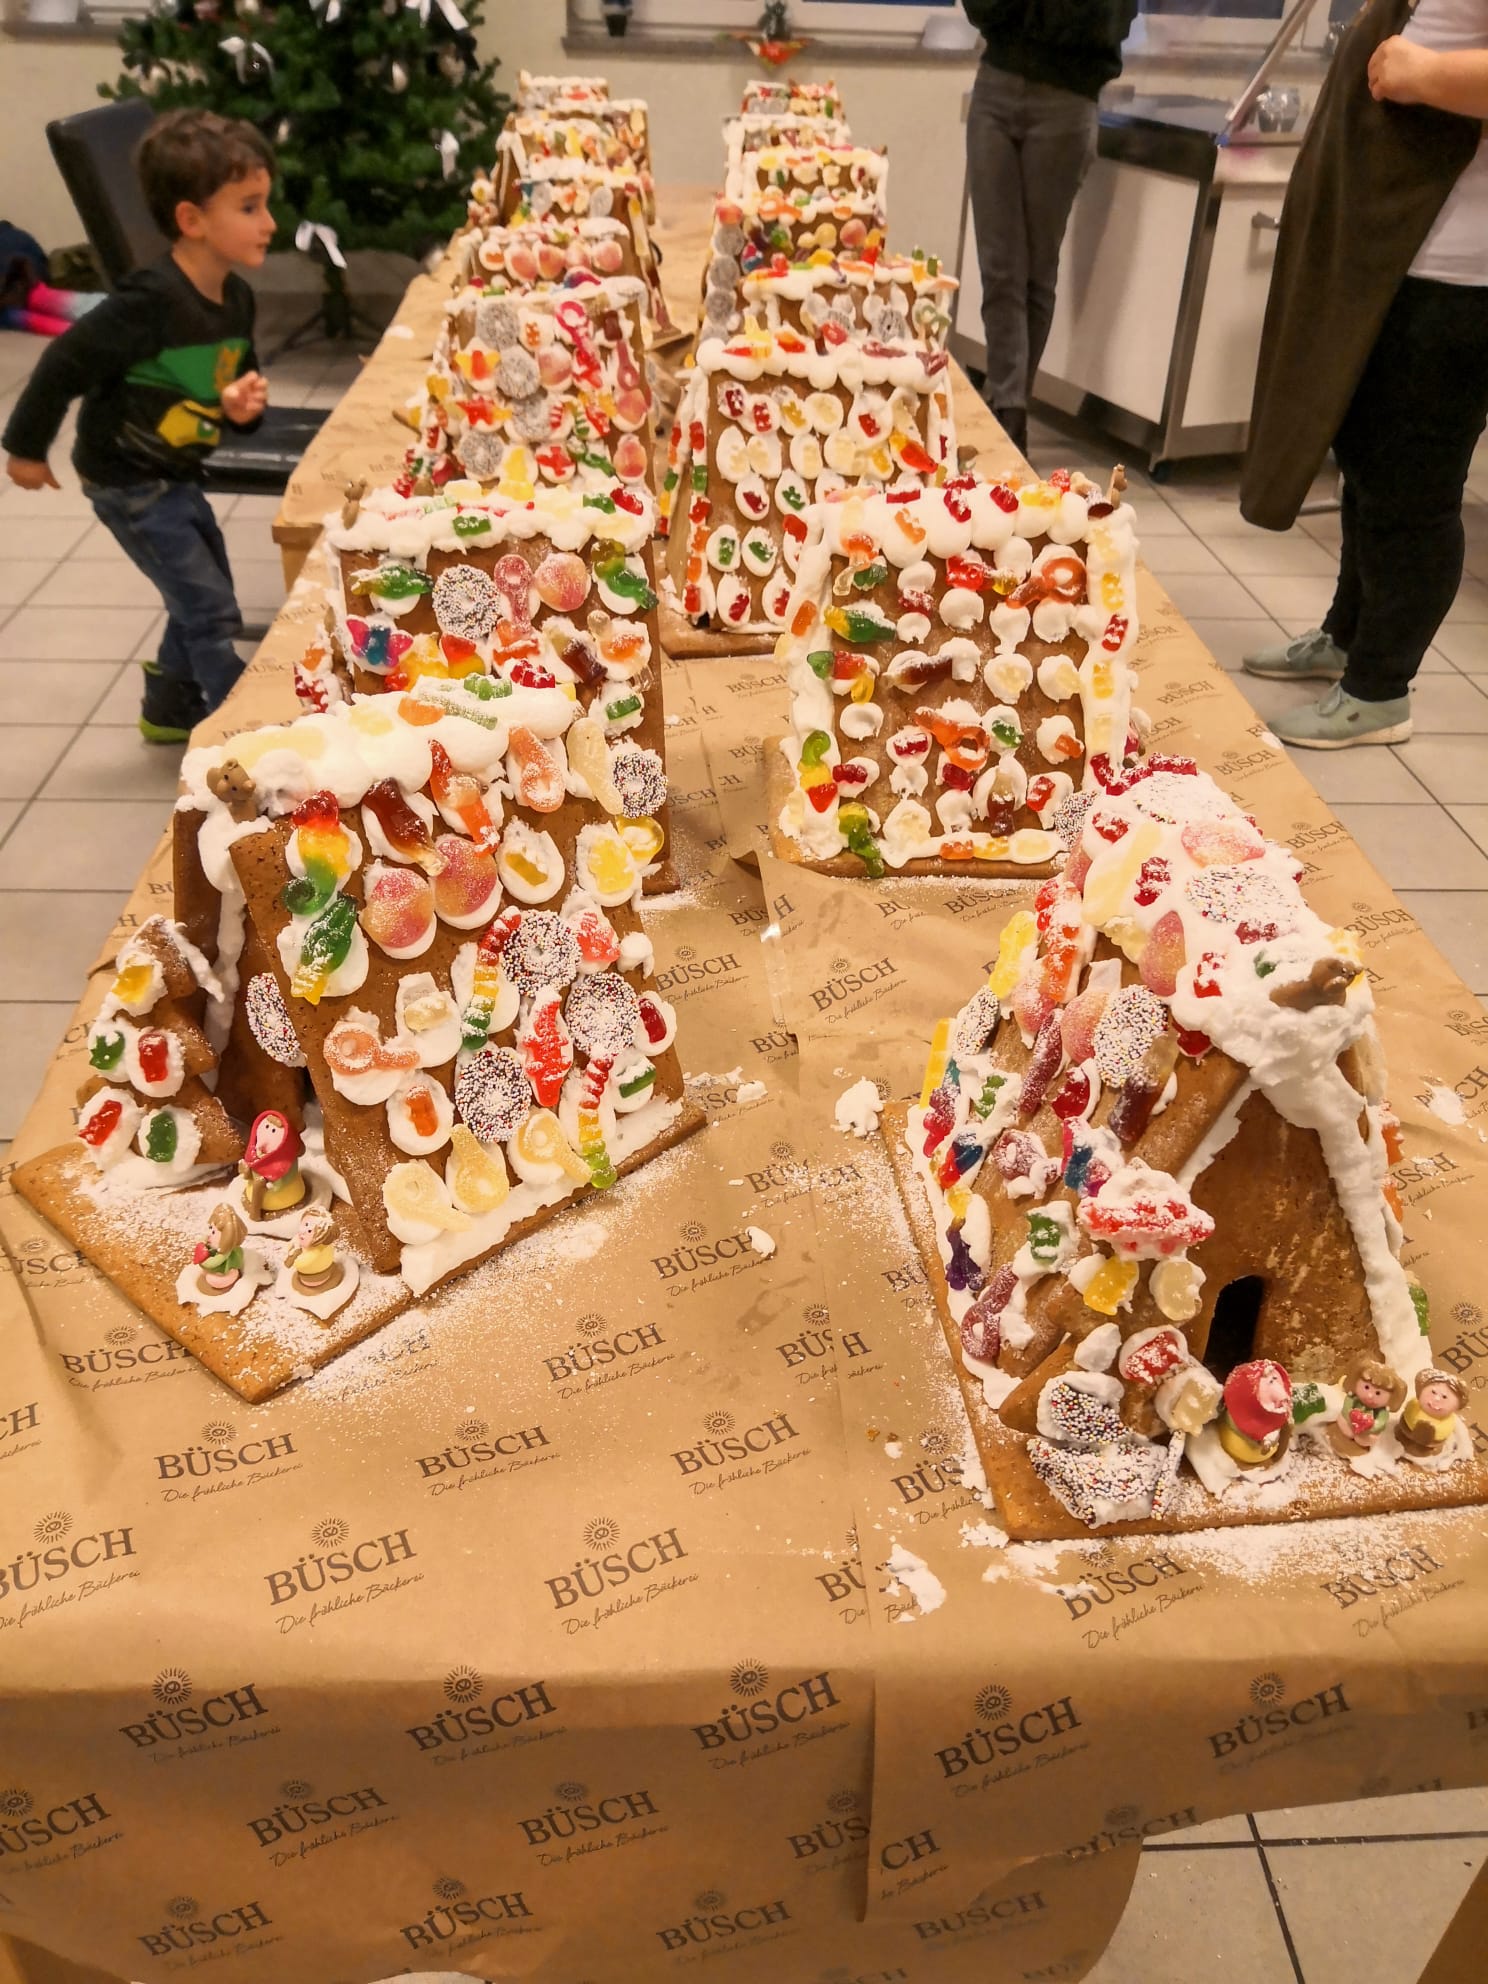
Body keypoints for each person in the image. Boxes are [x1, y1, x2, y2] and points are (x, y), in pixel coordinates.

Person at [1242, 4, 1488, 749]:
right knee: (1367, 462)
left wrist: (1428, 72)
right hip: (1396, 254)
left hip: (1461, 273)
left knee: (1413, 489)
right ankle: (1348, 636)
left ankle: (1381, 689)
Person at [2, 109, 275, 742]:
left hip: (175, 472)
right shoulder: (147, 303)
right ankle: (240, 734)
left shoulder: (235, 298)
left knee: (202, 593)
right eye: (250, 207)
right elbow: (62, 364)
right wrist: (25, 448)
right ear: (192, 220)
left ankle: (165, 708)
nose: (269, 223)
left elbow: (238, 386)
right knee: (210, 609)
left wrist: (241, 407)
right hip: (126, 481)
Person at [960, 0, 1138, 454]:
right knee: (999, 266)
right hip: (995, 87)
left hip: (1068, 99)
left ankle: (1008, 412)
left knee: (1035, 273)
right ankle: (1008, 412)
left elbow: (1104, 23)